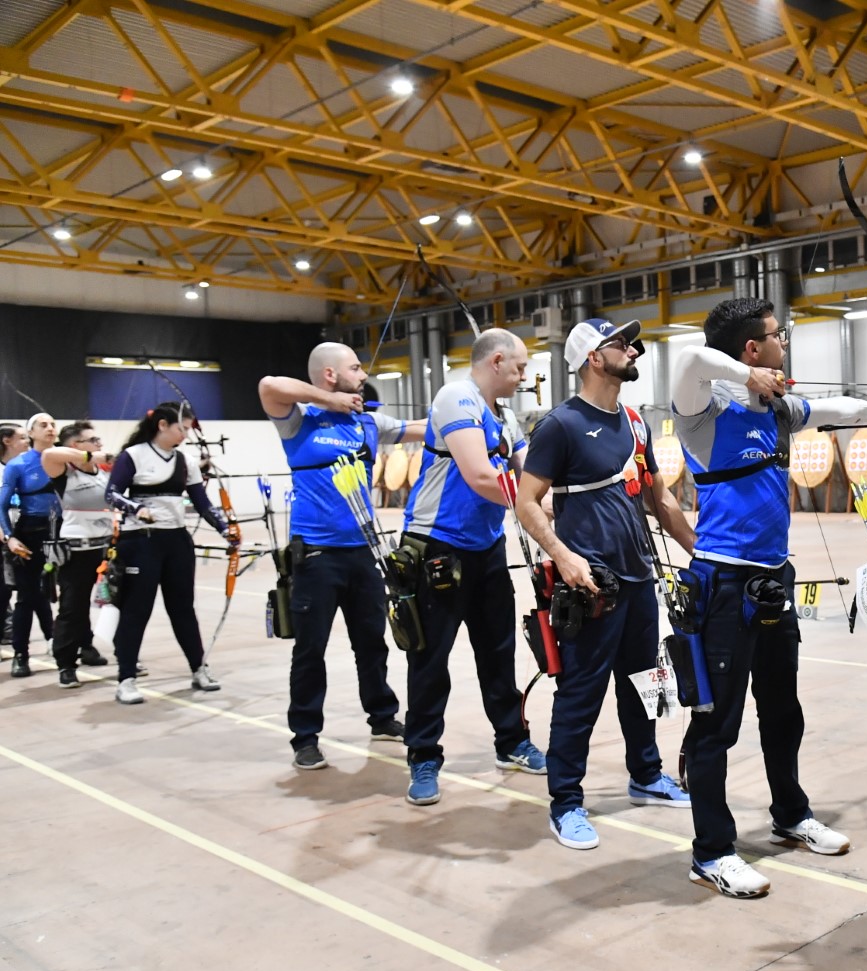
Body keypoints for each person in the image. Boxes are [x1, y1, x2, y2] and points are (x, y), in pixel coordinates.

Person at [670, 297, 867, 898]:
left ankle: (790, 814)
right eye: (777, 338)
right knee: (715, 723)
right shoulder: (704, 413)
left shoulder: (778, 411)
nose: (786, 345)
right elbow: (688, 361)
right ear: (752, 350)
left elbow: (835, 407)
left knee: (783, 710)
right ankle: (712, 851)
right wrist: (740, 375)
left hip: (773, 581)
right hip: (722, 583)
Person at [516, 318, 696, 850]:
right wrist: (564, 557)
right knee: (580, 695)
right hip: (592, 584)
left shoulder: (636, 423)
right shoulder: (561, 426)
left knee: (645, 688)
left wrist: (703, 552)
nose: (633, 349)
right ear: (594, 358)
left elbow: (660, 501)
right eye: (622, 343)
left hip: (639, 579)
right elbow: (527, 502)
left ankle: (646, 775)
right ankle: (566, 802)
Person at [261, 342, 427, 770]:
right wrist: (328, 400)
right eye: (355, 368)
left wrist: (467, 415)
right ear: (331, 375)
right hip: (316, 556)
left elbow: (420, 428)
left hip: (363, 552)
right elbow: (268, 385)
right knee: (310, 648)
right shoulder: (300, 420)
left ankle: (382, 716)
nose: (362, 374)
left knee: (372, 643)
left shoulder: (368, 422)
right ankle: (305, 736)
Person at [400, 328, 543, 807]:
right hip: (437, 547)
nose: (525, 376)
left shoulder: (506, 415)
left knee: (499, 653)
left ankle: (511, 742)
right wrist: (536, 509)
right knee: (430, 658)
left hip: (486, 548)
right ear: (497, 361)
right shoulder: (455, 397)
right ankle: (422, 755)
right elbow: (482, 476)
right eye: (520, 367)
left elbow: (530, 473)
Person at [103, 402, 241, 704]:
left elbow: (202, 503)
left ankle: (198, 668)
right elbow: (111, 494)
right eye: (182, 428)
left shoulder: (185, 461)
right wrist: (137, 508)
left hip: (176, 542)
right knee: (136, 609)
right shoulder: (134, 455)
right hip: (140, 542)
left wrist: (224, 528)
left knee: (183, 608)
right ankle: (126, 678)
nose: (185, 435)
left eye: (188, 429)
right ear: (162, 425)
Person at [39, 422, 117, 688]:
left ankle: (117, 652)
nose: (99, 444)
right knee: (73, 607)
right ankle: (66, 664)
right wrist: (88, 457)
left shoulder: (103, 472)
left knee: (117, 602)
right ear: (76, 446)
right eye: (92, 440)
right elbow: (48, 455)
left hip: (106, 548)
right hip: (77, 550)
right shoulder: (65, 471)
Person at [0, 413, 62, 676]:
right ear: (32, 433)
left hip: (62, 532)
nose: (50, 428)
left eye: (52, 424)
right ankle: (21, 655)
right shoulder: (18, 465)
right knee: (27, 596)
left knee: (71, 594)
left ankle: (75, 646)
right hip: (30, 534)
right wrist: (10, 536)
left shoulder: (64, 459)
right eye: (43, 425)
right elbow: (1, 506)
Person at [0, 422, 25, 650]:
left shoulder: (23, 467)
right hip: (4, 540)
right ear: (7, 440)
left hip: (21, 538)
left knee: (25, 591)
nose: (27, 442)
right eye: (22, 438)